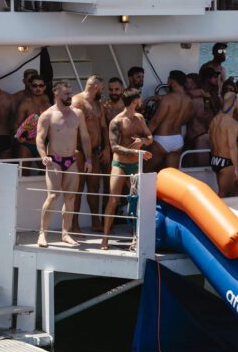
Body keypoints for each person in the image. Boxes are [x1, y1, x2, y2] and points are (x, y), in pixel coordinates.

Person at [36, 80, 91, 248]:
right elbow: (39, 138)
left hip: (71, 160)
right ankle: (42, 233)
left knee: (70, 197)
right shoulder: (48, 114)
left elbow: (84, 137)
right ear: (56, 93)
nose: (70, 96)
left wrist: (88, 159)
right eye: (67, 93)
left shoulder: (78, 114)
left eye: (71, 93)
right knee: (53, 195)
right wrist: (43, 156)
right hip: (55, 160)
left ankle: (65, 233)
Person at [101, 88, 152, 250]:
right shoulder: (117, 121)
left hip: (135, 164)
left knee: (136, 202)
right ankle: (105, 238)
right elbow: (114, 147)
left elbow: (150, 138)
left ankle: (135, 237)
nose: (141, 100)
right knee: (113, 200)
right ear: (135, 100)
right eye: (140, 98)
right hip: (119, 164)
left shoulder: (140, 118)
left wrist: (142, 140)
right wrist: (136, 151)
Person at [71, 75, 110, 233]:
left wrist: (106, 147)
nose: (103, 91)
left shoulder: (98, 104)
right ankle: (74, 225)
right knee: (77, 188)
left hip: (95, 151)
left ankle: (95, 222)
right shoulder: (77, 102)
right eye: (102, 88)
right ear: (96, 87)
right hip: (79, 151)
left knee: (94, 186)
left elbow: (103, 127)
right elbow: (71, 127)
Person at [148, 70, 192, 171]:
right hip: (177, 140)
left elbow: (156, 121)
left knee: (145, 172)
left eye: (168, 79)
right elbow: (185, 121)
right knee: (173, 175)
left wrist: (143, 138)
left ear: (172, 81)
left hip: (162, 139)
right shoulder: (189, 100)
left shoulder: (167, 98)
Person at [14, 75, 51, 171]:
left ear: (45, 87)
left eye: (41, 85)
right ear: (30, 87)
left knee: (46, 174)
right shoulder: (25, 104)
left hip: (43, 145)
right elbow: (16, 124)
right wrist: (18, 138)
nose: (38, 88)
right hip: (26, 144)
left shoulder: (48, 106)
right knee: (22, 174)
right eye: (34, 86)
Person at [208, 92, 238, 197]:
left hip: (215, 160)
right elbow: (232, 147)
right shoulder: (231, 123)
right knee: (227, 194)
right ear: (234, 102)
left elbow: (211, 141)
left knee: (223, 192)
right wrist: (236, 168)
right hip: (227, 162)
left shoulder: (215, 119)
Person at [185, 73, 212, 166]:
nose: (185, 85)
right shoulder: (192, 97)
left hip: (199, 136)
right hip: (193, 136)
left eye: (187, 83)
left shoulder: (197, 99)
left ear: (194, 84)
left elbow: (199, 117)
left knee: (202, 166)